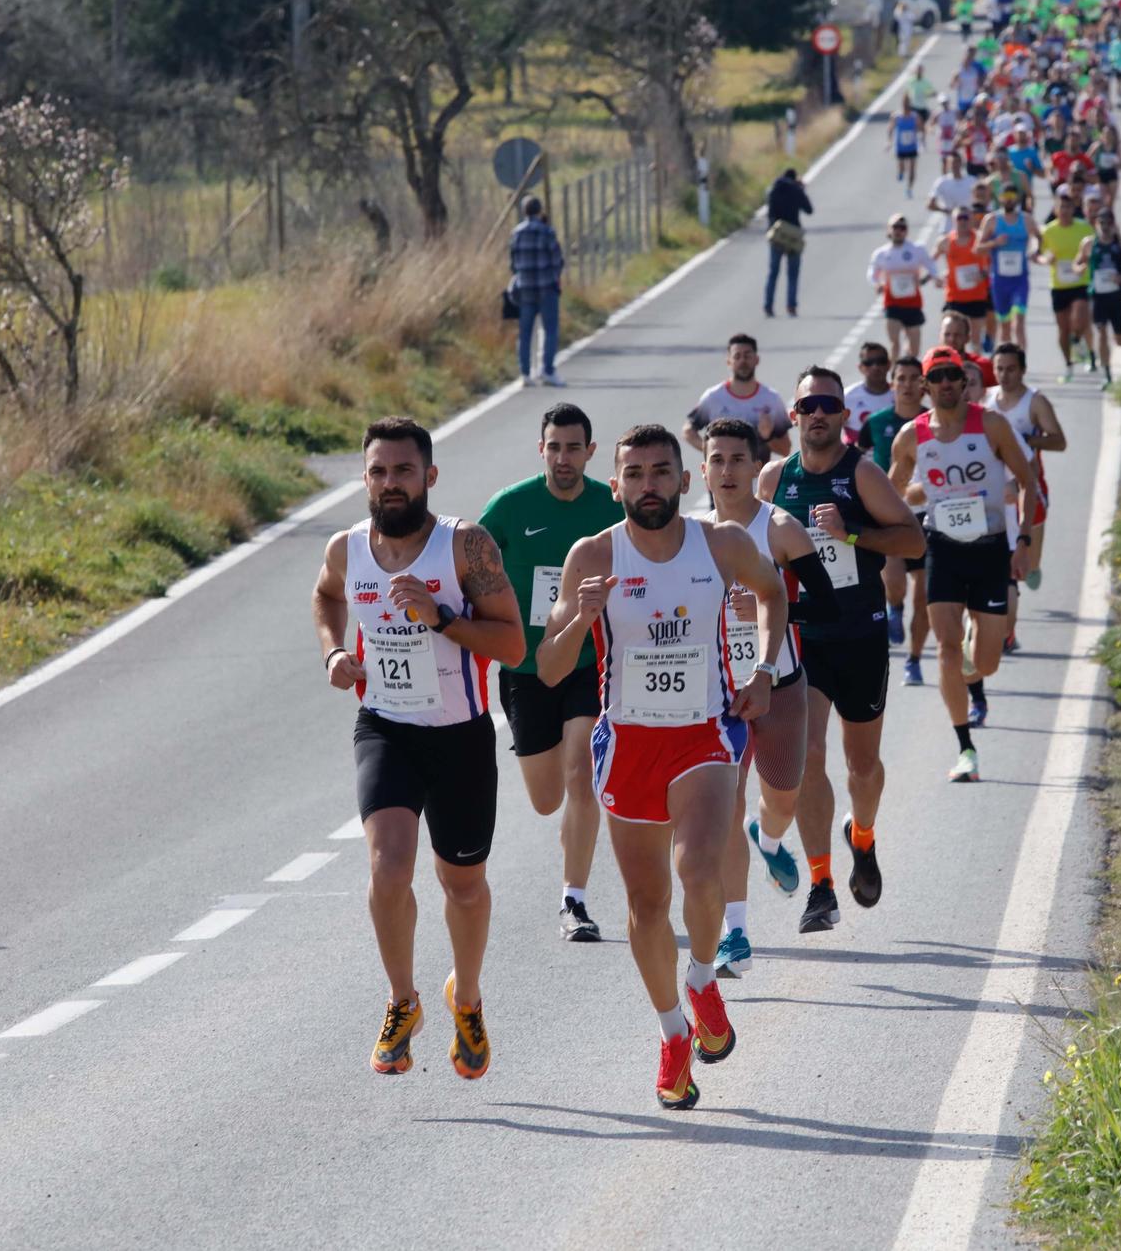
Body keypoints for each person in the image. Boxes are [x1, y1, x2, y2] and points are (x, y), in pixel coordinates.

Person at [536, 424, 789, 1110]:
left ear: (684, 478)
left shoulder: (722, 543)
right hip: (629, 743)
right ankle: (674, 1032)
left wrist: (764, 669)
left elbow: (774, 593)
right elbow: (550, 666)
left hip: (704, 733)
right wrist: (574, 620)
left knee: (701, 870)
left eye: (661, 472)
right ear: (615, 485)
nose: (649, 485)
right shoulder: (592, 555)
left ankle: (702, 976)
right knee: (648, 905)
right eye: (635, 474)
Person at [312, 416, 526, 1078]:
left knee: (462, 884)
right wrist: (336, 650)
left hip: (461, 735)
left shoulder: (466, 547)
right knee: (387, 868)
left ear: (429, 476)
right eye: (378, 471)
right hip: (386, 728)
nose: (390, 483)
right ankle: (402, 1000)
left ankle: (464, 995)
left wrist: (440, 617)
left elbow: (514, 645)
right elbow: (325, 596)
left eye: (404, 471)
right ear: (365, 479)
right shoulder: (348, 549)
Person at [757, 367, 925, 932]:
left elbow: (912, 538)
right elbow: (751, 551)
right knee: (808, 757)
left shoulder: (863, 474)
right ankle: (821, 883)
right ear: (795, 416)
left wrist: (851, 533)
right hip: (804, 637)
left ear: (843, 415)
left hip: (860, 634)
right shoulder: (775, 479)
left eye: (829, 404)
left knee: (863, 766)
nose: (819, 414)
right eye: (809, 406)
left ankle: (863, 834)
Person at [478, 403, 625, 943]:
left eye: (574, 448)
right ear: (541, 450)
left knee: (582, 775)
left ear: (591, 451)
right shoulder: (510, 507)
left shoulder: (608, 508)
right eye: (554, 447)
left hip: (592, 661)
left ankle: (574, 899)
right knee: (547, 799)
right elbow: (466, 565)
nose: (564, 458)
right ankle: (571, 851)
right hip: (525, 667)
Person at [701, 417, 833, 977]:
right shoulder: (688, 535)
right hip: (716, 693)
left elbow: (826, 604)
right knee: (725, 809)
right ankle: (736, 932)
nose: (727, 470)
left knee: (781, 798)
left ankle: (772, 836)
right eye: (717, 459)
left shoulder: (780, 528)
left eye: (738, 459)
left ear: (758, 467)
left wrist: (764, 608)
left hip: (779, 685)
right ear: (702, 469)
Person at [887, 355, 1039, 783]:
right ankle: (965, 747)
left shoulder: (989, 424)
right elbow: (893, 489)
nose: (947, 383)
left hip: (991, 547)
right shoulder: (911, 436)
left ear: (965, 382)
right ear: (925, 387)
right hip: (943, 548)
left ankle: (980, 650)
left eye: (954, 375)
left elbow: (1027, 481)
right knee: (948, 651)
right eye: (937, 377)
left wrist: (1023, 541)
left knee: (985, 663)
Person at [862, 355, 932, 675]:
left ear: (924, 385)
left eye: (913, 378)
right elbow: (857, 460)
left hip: (931, 515)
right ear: (892, 385)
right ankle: (894, 607)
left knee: (924, 593)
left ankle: (914, 660)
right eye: (900, 378)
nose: (906, 385)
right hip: (889, 514)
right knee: (894, 577)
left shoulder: (935, 422)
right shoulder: (875, 423)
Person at [989, 342, 1067, 609]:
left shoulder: (1035, 402)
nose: (1004, 375)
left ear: (1022, 370)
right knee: (1003, 557)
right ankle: (1008, 594)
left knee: (1029, 563)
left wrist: (1027, 440)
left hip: (1030, 484)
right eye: (999, 369)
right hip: (996, 486)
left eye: (1011, 369)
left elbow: (1059, 441)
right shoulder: (987, 400)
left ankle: (1029, 569)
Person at [683, 333, 793, 461]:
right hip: (720, 478)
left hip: (757, 478)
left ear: (756, 359)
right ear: (729, 361)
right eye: (737, 356)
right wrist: (710, 450)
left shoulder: (771, 399)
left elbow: (786, 449)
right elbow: (688, 431)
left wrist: (767, 436)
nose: (743, 361)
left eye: (747, 355)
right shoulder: (713, 397)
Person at [1074, 206, 1121, 387]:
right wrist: (1080, 268)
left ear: (1113, 224)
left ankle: (1114, 350)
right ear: (1095, 224)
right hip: (1098, 296)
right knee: (1101, 331)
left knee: (1119, 341)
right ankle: (1107, 373)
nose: (1104, 227)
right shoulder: (1089, 244)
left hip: (1117, 296)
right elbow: (1076, 263)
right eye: (1101, 223)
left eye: (1108, 223)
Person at [509, 197, 567, 387]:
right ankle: (547, 371)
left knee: (525, 332)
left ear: (524, 211)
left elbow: (513, 264)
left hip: (525, 289)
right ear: (539, 210)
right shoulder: (547, 232)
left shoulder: (516, 233)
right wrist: (554, 276)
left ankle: (525, 373)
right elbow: (557, 259)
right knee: (549, 330)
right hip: (546, 287)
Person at [1038, 190, 1094, 380]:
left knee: (1079, 317)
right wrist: (1047, 259)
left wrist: (1086, 262)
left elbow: (1093, 250)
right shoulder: (1048, 231)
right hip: (1059, 284)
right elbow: (1036, 254)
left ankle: (1077, 340)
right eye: (1061, 207)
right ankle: (1068, 365)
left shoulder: (1084, 228)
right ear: (1055, 209)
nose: (1065, 210)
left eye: (1068, 207)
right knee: (1063, 329)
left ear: (1073, 209)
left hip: (1080, 281)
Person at [976, 182, 1037, 350]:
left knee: (1018, 323)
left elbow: (1038, 239)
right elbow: (977, 249)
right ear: (999, 198)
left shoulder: (1026, 219)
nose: (1009, 200)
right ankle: (1005, 362)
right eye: (1005, 196)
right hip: (999, 281)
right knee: (1004, 327)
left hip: (1020, 280)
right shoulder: (992, 220)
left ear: (1017, 198)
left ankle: (1021, 363)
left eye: (1012, 196)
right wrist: (994, 242)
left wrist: (1034, 249)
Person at [867, 213, 934, 359]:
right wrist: (877, 284)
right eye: (895, 227)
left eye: (902, 227)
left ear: (906, 231)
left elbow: (931, 266)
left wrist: (932, 279)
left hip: (913, 304)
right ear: (889, 230)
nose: (898, 230)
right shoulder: (881, 254)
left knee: (914, 349)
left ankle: (910, 371)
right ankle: (894, 375)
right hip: (892, 304)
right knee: (894, 344)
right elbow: (872, 273)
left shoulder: (916, 250)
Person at [933, 207, 994, 350]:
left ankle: (976, 370)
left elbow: (992, 263)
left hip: (977, 296)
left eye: (965, 218)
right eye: (959, 218)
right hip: (954, 297)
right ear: (954, 220)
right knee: (951, 340)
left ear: (971, 219)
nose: (963, 221)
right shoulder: (946, 241)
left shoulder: (980, 239)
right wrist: (937, 277)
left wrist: (984, 274)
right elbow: (929, 262)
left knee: (975, 339)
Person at [762, 168, 813, 319]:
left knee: (773, 272)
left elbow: (770, 213)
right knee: (793, 274)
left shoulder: (773, 190)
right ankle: (791, 306)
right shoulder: (796, 190)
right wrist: (801, 190)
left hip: (777, 234)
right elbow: (809, 210)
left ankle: (768, 306)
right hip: (793, 236)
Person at [843, 341, 896, 444]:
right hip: (856, 458)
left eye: (880, 361)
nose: (875, 367)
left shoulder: (901, 395)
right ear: (861, 367)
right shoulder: (846, 397)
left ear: (889, 364)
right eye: (869, 362)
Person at [887, 98, 923, 199]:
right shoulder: (896, 116)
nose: (906, 108)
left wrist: (921, 140)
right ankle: (901, 172)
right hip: (901, 147)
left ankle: (909, 189)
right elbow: (890, 128)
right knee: (902, 168)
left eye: (908, 105)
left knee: (912, 169)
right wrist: (889, 142)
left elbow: (921, 128)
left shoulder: (915, 116)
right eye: (904, 105)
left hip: (912, 146)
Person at [926, 149, 977, 218]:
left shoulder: (972, 180)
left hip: (967, 223)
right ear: (948, 164)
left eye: (957, 162)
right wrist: (946, 211)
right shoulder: (941, 182)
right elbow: (930, 205)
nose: (955, 165)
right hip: (948, 225)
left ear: (961, 163)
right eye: (952, 162)